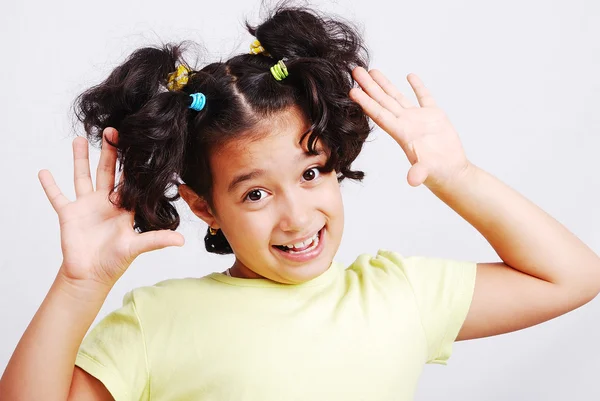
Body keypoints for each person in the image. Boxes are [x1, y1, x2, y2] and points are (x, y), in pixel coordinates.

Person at [1, 4, 599, 401]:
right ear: (204, 206)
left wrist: (458, 175)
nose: (296, 215)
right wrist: (79, 286)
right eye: (255, 192)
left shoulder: (397, 295)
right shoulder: (156, 322)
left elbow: (570, 276)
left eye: (311, 171)